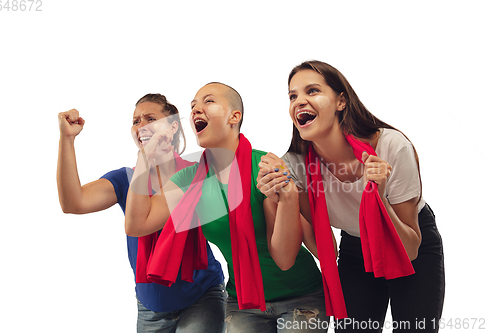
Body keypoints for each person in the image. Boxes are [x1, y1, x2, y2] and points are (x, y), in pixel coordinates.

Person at [125, 83, 330, 333]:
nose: (196, 109)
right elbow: (137, 224)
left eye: (208, 101)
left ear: (235, 117)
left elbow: (286, 259)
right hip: (243, 302)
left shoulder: (266, 167)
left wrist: (288, 196)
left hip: (302, 297)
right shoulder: (188, 181)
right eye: (192, 106)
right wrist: (145, 156)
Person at [257, 60, 445, 332]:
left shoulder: (391, 146)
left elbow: (411, 248)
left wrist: (378, 198)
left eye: (312, 91)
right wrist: (284, 198)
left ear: (341, 101)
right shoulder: (296, 167)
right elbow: (326, 251)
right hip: (356, 246)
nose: (299, 101)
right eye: (292, 95)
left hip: (409, 239)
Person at [56, 93, 226, 333]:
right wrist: (66, 139)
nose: (141, 125)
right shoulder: (126, 179)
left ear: (173, 126)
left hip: (201, 297)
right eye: (136, 121)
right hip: (150, 306)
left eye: (150, 119)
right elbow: (73, 203)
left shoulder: (196, 174)